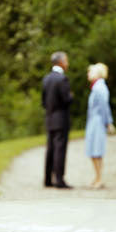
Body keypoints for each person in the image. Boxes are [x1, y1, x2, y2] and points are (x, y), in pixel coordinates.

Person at [41, 50, 73, 188]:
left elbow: (43, 101)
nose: (67, 63)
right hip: (61, 119)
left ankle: (47, 180)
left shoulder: (46, 79)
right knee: (60, 149)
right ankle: (59, 180)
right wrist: (71, 96)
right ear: (61, 62)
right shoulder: (62, 79)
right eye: (66, 60)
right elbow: (66, 100)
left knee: (50, 149)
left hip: (49, 119)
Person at [84, 62, 114, 188]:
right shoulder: (97, 87)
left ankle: (99, 178)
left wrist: (108, 122)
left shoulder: (99, 88)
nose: (88, 74)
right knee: (94, 151)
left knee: (96, 151)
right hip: (94, 121)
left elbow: (104, 107)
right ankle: (97, 177)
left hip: (97, 122)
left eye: (90, 72)